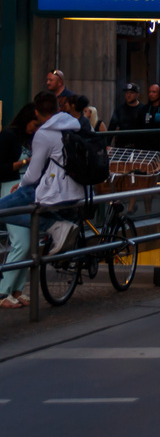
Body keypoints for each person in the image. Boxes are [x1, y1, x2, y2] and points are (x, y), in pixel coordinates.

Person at [0, 92, 85, 237]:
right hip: (77, 190)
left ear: (37, 112)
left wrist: (20, 186)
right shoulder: (73, 127)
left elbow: (33, 176)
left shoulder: (43, 134)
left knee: (2, 210)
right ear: (58, 109)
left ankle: (54, 225)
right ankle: (59, 227)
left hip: (53, 191)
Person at [0, 108, 32, 307]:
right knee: (21, 241)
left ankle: (16, 289)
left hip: (22, 189)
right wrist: (25, 162)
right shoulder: (8, 136)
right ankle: (3, 291)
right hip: (10, 188)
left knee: (26, 241)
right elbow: (1, 167)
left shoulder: (28, 137)